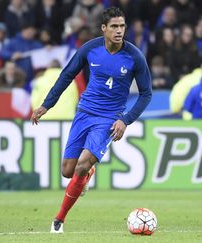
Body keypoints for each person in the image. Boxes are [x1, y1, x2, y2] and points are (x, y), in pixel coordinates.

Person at [30, 7, 152, 233]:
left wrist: (125, 120)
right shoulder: (90, 49)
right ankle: (87, 174)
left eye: (122, 26)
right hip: (85, 112)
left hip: (109, 119)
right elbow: (67, 75)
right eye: (114, 26)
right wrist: (46, 105)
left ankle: (59, 220)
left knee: (82, 165)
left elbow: (146, 94)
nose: (119, 31)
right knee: (68, 171)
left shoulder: (134, 56)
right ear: (104, 28)